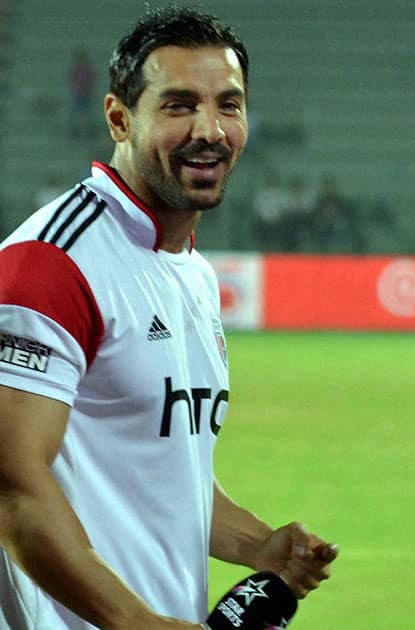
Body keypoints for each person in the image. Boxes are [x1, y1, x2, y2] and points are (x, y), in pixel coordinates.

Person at [0, 8, 337, 630]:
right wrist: (137, 623)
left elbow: (161, 476)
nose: (210, 129)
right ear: (118, 117)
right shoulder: (52, 264)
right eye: (179, 105)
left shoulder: (192, 271)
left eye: (228, 105)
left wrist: (258, 547)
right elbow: (13, 489)